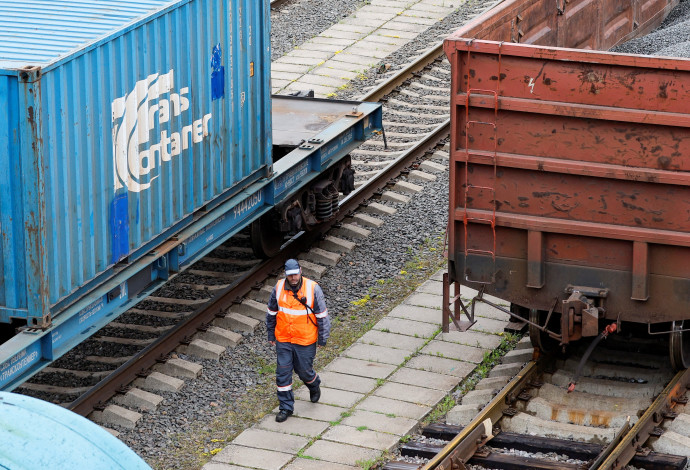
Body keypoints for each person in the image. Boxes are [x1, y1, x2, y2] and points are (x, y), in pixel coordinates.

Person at [266, 259, 331, 422]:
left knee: (304, 371)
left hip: (305, 339)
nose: (293, 278)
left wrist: (322, 339)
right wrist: (271, 334)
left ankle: (313, 383)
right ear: (286, 275)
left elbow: (322, 316)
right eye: (290, 275)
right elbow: (271, 312)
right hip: (284, 339)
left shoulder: (312, 288)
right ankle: (285, 407)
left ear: (300, 271)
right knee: (282, 374)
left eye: (295, 274)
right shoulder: (279, 287)